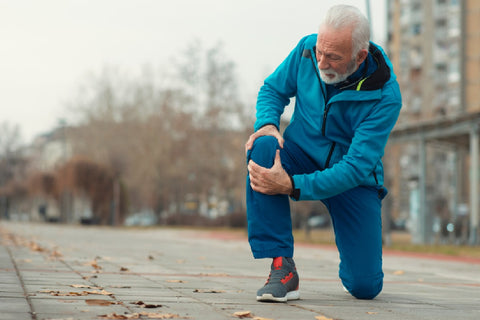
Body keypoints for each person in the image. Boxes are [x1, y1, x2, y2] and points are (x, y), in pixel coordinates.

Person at [245, 4, 402, 302]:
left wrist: (292, 186)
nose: (321, 61)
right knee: (263, 146)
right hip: (299, 155)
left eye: (333, 57)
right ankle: (283, 268)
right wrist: (267, 123)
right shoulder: (307, 49)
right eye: (320, 51)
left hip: (352, 179)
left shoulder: (386, 97)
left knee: (365, 287)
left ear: (360, 56)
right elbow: (273, 90)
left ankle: (356, 273)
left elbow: (356, 167)